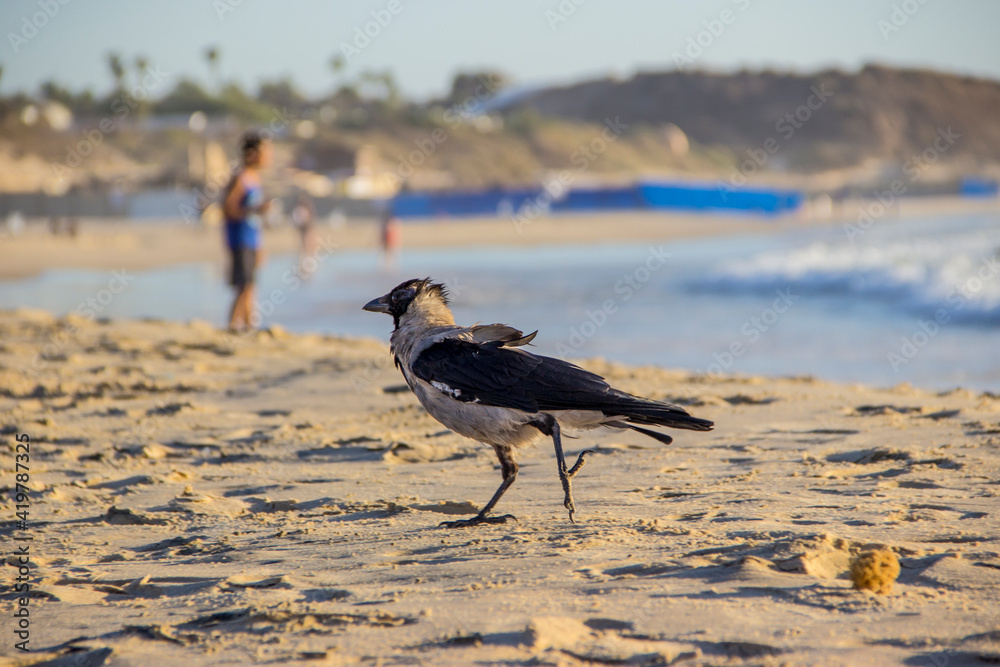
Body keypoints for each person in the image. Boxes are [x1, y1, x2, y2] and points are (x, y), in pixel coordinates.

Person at [222, 131, 271, 331]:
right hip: (240, 239)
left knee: (250, 285)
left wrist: (260, 245)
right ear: (252, 153)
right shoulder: (240, 177)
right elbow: (228, 208)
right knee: (244, 286)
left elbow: (254, 219)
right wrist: (256, 209)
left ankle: (250, 327)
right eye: (266, 151)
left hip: (251, 239)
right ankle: (233, 327)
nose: (269, 156)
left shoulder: (253, 177)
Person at [379, 202, 401, 269]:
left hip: (391, 239)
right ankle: (387, 265)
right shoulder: (386, 222)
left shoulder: (392, 222)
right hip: (388, 239)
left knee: (392, 252)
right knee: (387, 253)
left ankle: (391, 265)